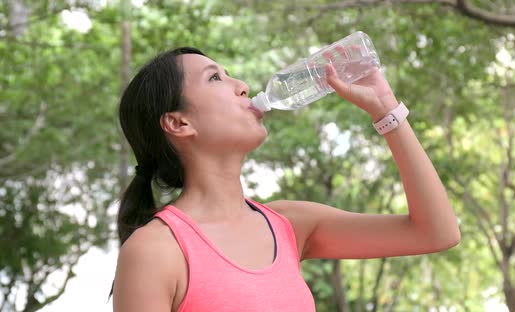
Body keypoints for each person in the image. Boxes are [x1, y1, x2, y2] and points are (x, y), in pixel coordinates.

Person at [112, 46, 460, 312]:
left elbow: (436, 232)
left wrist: (387, 110)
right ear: (179, 123)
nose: (243, 86)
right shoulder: (154, 252)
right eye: (215, 78)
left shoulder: (289, 225)